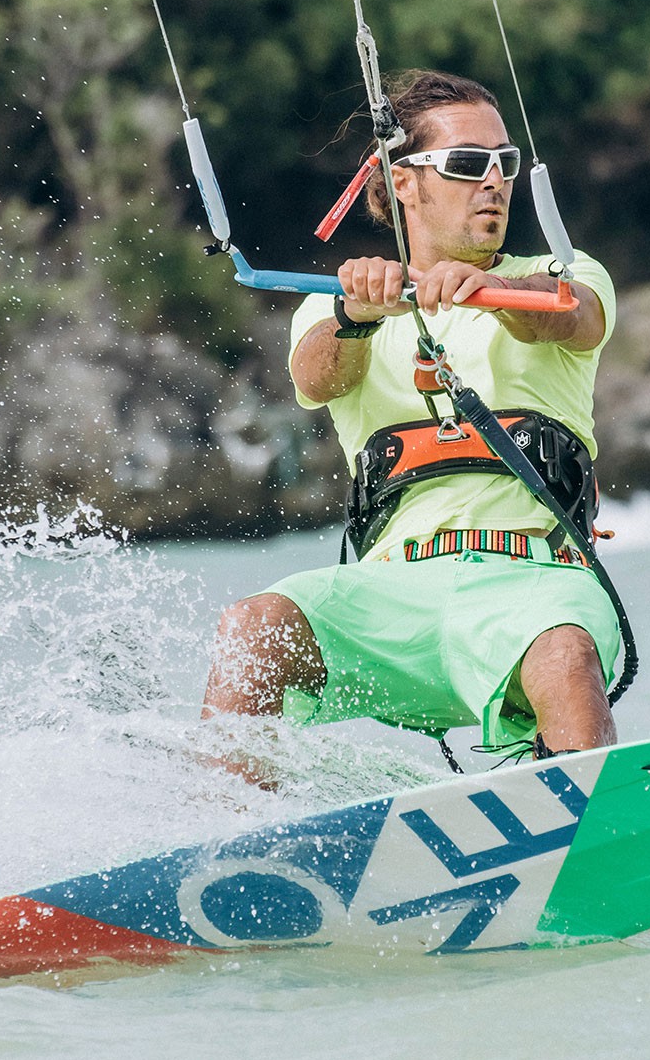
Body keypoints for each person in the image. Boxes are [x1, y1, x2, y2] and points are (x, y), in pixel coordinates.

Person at [200, 69, 621, 774]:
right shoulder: (334, 306)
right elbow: (314, 375)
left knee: (564, 650)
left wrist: (488, 290)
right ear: (403, 181)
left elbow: (572, 318)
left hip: (533, 588)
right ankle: (224, 837)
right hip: (390, 602)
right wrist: (356, 313)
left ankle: (588, 827)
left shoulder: (562, 274)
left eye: (504, 163)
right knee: (255, 625)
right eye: (466, 163)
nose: (493, 181)